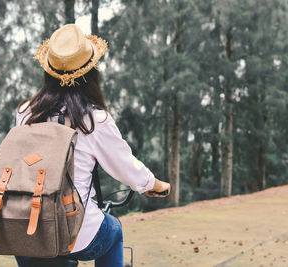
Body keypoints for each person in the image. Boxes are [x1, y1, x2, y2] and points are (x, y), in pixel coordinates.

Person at [14, 24, 171, 267]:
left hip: (24, 228)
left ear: (49, 72)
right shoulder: (93, 120)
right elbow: (126, 166)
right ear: (91, 73)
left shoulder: (25, 113)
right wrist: (155, 184)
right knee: (114, 229)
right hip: (75, 234)